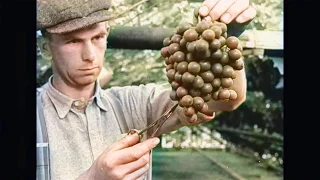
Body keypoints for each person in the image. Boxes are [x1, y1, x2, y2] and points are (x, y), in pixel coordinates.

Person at [36, 0, 256, 179]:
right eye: (73, 41)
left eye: (98, 37)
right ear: (46, 47)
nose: (90, 55)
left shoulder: (133, 103)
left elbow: (226, 99)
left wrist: (226, 37)